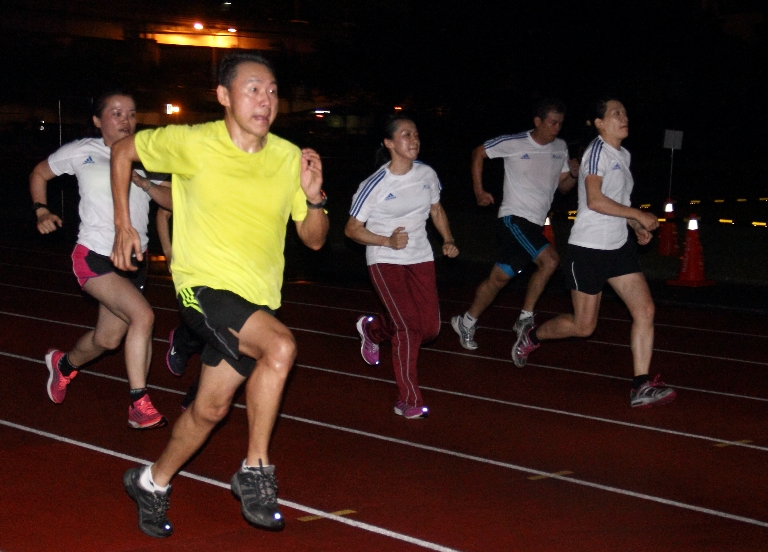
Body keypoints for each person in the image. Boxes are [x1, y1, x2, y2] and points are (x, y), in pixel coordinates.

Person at [111, 52, 329, 538]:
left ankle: (151, 481)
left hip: (256, 302)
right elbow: (123, 150)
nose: (264, 100)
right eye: (253, 89)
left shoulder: (289, 157)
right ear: (224, 96)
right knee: (281, 346)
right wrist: (125, 225)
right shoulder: (194, 142)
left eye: (272, 91)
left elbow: (314, 238)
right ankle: (255, 469)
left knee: (209, 410)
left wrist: (314, 197)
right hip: (204, 289)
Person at [512, 98, 676, 408]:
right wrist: (639, 214)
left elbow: (615, 201)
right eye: (616, 113)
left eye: (625, 112)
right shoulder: (597, 152)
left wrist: (632, 224)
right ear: (600, 124)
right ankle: (532, 336)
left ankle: (640, 384)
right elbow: (596, 200)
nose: (623, 117)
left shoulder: (623, 155)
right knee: (584, 325)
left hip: (617, 249)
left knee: (646, 310)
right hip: (587, 250)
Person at [30, 89, 171, 429]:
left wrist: (141, 181)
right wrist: (41, 210)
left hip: (134, 260)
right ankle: (139, 402)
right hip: (93, 254)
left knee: (107, 340)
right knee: (143, 316)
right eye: (117, 113)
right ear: (98, 120)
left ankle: (63, 366)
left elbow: (172, 203)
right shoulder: (82, 151)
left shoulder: (145, 158)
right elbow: (39, 173)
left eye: (132, 114)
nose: (126, 120)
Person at [346, 114, 459, 419]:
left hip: (420, 256)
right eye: (406, 135)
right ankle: (408, 399)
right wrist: (386, 241)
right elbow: (352, 229)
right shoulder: (375, 184)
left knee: (431, 329)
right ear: (389, 143)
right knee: (409, 328)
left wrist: (447, 238)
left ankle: (372, 329)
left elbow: (436, 209)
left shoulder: (426, 174)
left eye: (416, 134)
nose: (414, 140)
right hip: (385, 259)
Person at [451, 98, 579, 356]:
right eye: (552, 122)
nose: (557, 128)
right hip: (512, 219)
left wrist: (574, 174)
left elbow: (563, 187)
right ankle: (525, 318)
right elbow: (479, 152)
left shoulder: (561, 147)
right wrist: (479, 191)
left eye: (560, 123)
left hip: (533, 224)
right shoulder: (514, 142)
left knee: (499, 278)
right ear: (538, 122)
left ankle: (465, 322)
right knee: (551, 261)